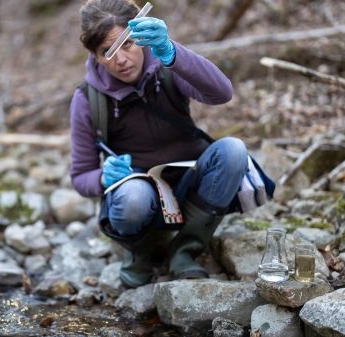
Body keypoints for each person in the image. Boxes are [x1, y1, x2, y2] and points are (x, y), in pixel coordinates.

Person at [69, 0, 251, 288]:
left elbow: (222, 93)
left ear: (141, 38)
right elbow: (80, 176)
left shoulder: (167, 66)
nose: (121, 59)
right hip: (141, 192)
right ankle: (143, 252)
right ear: (95, 55)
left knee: (234, 150)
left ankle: (186, 249)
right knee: (132, 197)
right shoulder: (87, 99)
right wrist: (105, 176)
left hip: (191, 181)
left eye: (128, 44)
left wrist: (172, 52)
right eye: (108, 52)